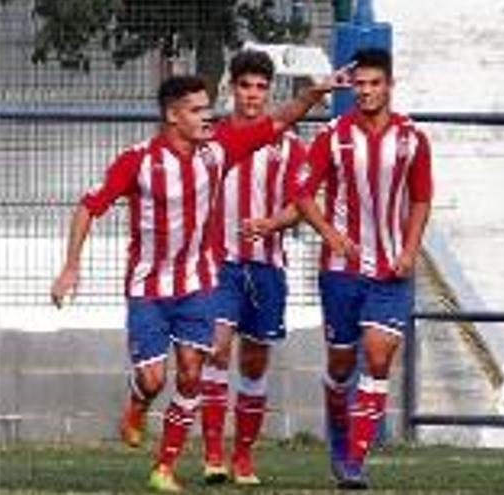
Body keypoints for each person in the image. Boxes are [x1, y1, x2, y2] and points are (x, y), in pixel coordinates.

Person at [50, 68, 348, 492]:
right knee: (154, 379)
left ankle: (164, 467)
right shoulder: (138, 161)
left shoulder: (217, 150)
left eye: (208, 107)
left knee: (191, 372)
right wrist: (71, 266)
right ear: (173, 116)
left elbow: (277, 122)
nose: (208, 117)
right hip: (149, 289)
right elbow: (87, 207)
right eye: (197, 110)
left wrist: (312, 95)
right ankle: (138, 401)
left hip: (199, 285)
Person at [294, 48, 432, 490]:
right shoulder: (332, 135)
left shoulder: (412, 138)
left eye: (375, 83)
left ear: (389, 85)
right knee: (340, 368)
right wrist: (330, 235)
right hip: (340, 271)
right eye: (360, 84)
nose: (367, 91)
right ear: (352, 87)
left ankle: (353, 461)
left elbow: (421, 199)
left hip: (391, 270)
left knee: (377, 358)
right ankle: (340, 441)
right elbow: (302, 193)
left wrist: (410, 249)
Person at [198, 50, 307, 486]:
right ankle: (212, 454)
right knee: (216, 348)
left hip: (267, 266)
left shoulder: (289, 143)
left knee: (255, 362)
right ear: (232, 88)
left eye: (261, 87)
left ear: (270, 91)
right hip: (219, 262)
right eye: (246, 86)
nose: (253, 95)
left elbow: (301, 206)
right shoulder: (211, 139)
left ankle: (243, 456)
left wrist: (271, 223)